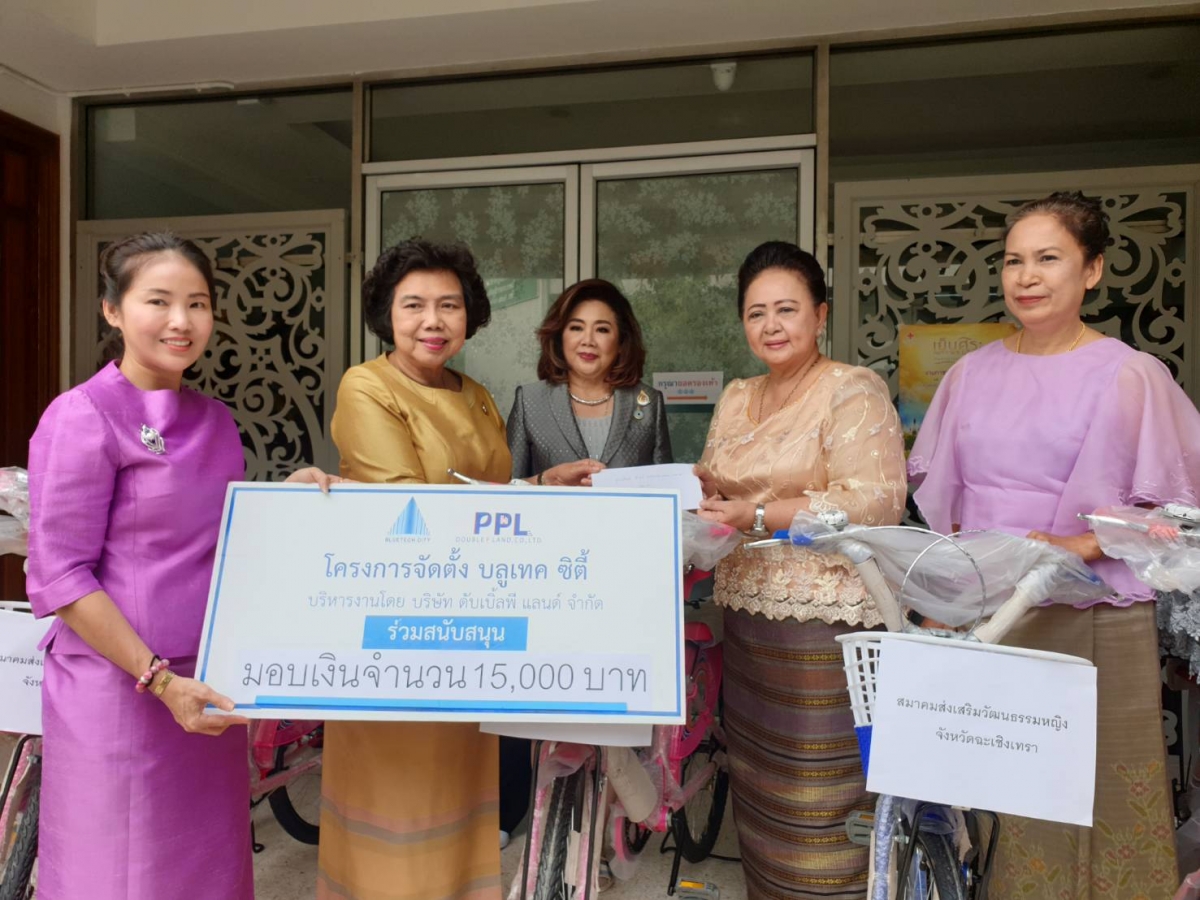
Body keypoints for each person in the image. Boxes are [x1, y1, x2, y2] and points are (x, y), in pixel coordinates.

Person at [25, 232, 340, 900]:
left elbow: (217, 542)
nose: (181, 320)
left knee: (203, 872)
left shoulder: (214, 420)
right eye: (159, 301)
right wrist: (160, 681)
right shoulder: (82, 416)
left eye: (197, 303)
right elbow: (62, 576)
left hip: (206, 688)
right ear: (113, 310)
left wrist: (283, 502)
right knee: (120, 874)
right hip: (121, 691)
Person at [909, 191, 1200, 899]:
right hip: (987, 603)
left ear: (1092, 270)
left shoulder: (1130, 373)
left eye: (1048, 259)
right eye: (1014, 261)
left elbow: (1177, 513)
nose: (1027, 276)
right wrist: (942, 597)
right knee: (989, 789)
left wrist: (1084, 541)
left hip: (1087, 606)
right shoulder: (969, 374)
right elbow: (944, 502)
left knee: (1092, 787)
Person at [318, 239, 594, 899]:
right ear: (386, 314)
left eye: (449, 305)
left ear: (470, 315)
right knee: (398, 801)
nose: (433, 321)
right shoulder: (367, 385)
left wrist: (542, 485)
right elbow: (403, 509)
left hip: (467, 629)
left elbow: (485, 493)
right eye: (413, 305)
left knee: (462, 795)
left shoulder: (475, 395)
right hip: (394, 629)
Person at [695, 241, 906, 899]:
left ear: (820, 314)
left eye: (787, 309)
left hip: (825, 626)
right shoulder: (737, 395)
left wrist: (759, 515)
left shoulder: (852, 389)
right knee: (760, 783)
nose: (772, 326)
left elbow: (872, 501)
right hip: (747, 617)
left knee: (820, 793)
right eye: (756, 313)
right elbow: (718, 484)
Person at [500, 277, 672, 844]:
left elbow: (664, 491)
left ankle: (620, 796)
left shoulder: (647, 403)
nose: (588, 340)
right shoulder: (531, 400)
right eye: (576, 328)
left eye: (602, 329)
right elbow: (509, 488)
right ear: (559, 337)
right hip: (546, 577)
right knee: (527, 692)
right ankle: (513, 808)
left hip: (624, 579)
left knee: (616, 686)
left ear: (621, 341)